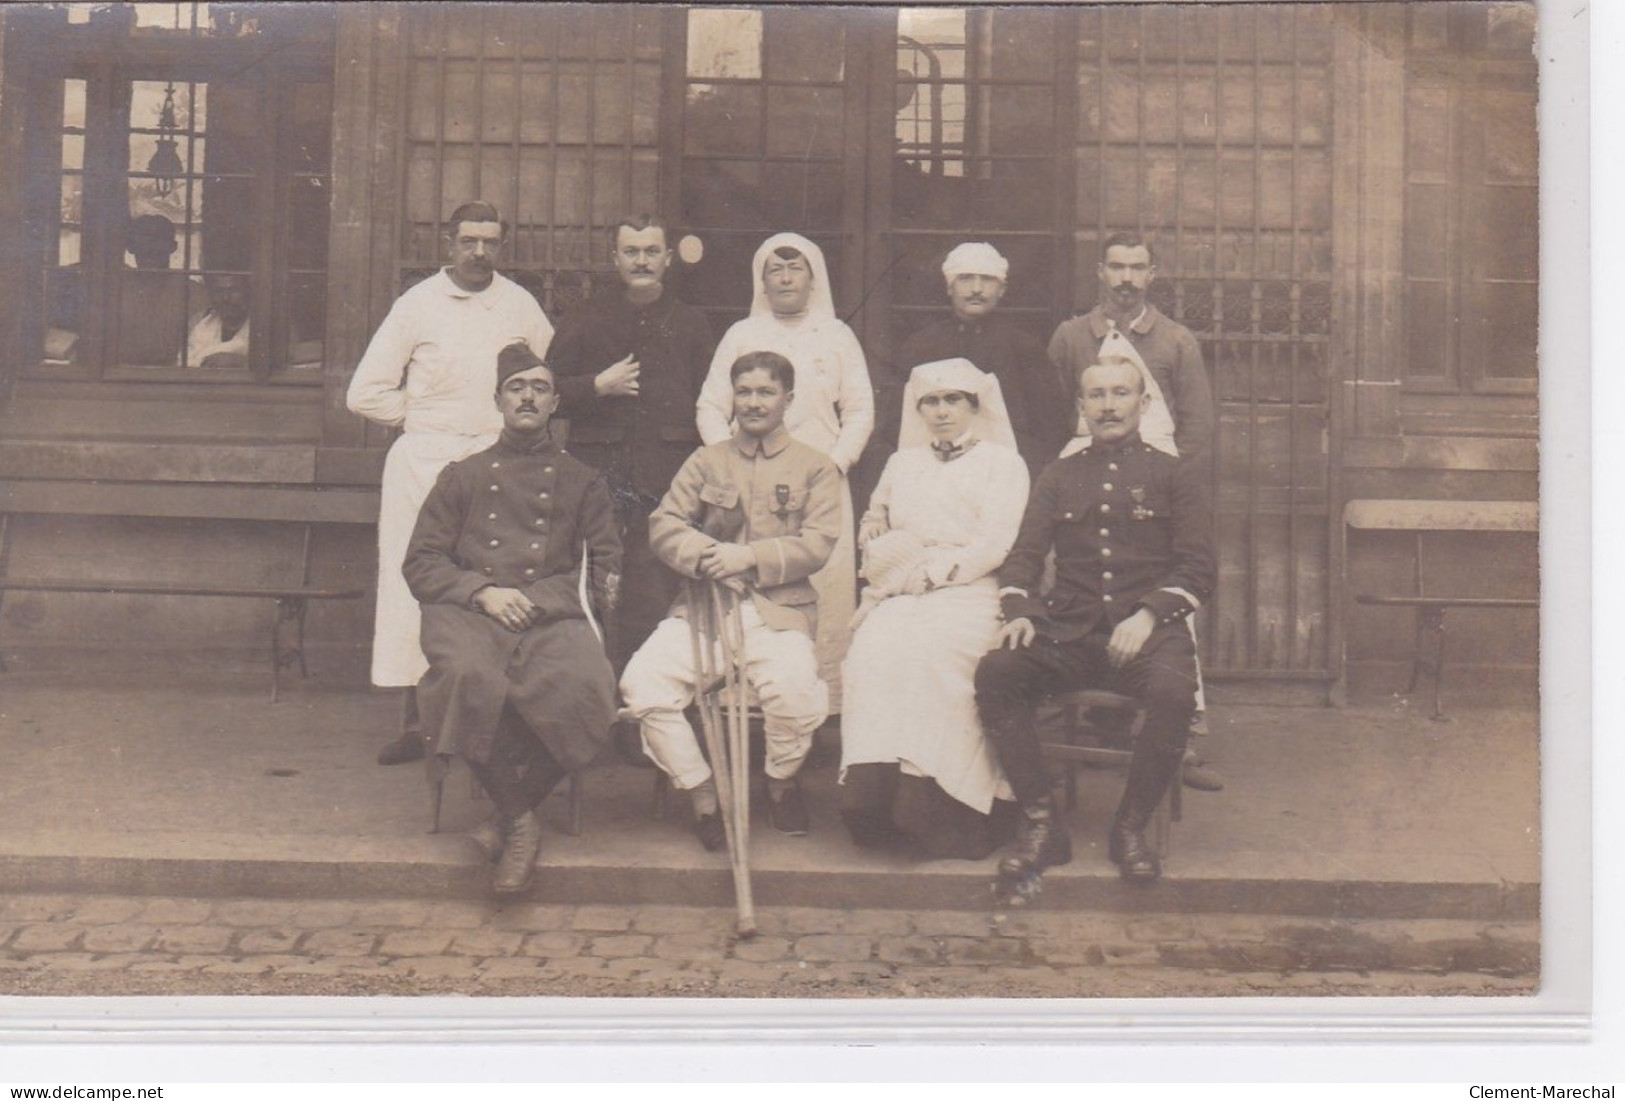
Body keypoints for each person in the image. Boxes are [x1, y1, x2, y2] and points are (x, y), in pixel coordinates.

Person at [974, 359, 1214, 893]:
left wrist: (1150, 613)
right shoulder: (1060, 475)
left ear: (1144, 404)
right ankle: (1043, 826)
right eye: (1097, 395)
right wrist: (1020, 613)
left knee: (1175, 694)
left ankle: (1129, 830)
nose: (1108, 405)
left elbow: (1199, 568)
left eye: (1121, 393)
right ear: (1081, 407)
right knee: (998, 672)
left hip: (1151, 634)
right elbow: (1023, 560)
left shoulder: (1175, 475)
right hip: (1071, 632)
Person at [403, 343, 619, 895]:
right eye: (517, 387)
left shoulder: (582, 481)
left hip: (550, 611)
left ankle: (503, 817)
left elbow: (603, 566)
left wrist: (543, 600)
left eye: (539, 388)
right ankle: (520, 821)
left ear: (553, 404)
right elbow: (421, 562)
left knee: (587, 682)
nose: (527, 396)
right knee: (467, 677)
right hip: (469, 612)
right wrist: (482, 592)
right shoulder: (462, 477)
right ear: (498, 400)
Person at [346, 201, 555, 767]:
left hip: (493, 462)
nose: (479, 252)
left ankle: (484, 716)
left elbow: (540, 379)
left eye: (490, 241)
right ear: (449, 243)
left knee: (491, 578)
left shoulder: (520, 306)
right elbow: (363, 393)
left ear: (501, 246)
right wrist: (422, 420)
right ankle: (416, 724)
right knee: (415, 581)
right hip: (424, 464)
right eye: (469, 241)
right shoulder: (416, 305)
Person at [622, 350, 840, 849]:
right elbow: (665, 523)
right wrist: (703, 554)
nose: (754, 402)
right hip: (704, 609)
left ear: (788, 398)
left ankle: (781, 782)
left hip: (778, 612)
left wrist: (747, 557)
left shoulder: (816, 467)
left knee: (795, 692)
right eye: (744, 391)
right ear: (732, 398)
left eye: (766, 392)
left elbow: (819, 542)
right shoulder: (706, 460)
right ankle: (702, 792)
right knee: (642, 683)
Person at [838, 358, 1030, 860]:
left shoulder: (1002, 463)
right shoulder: (903, 462)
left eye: (953, 401)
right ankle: (875, 802)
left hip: (970, 587)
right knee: (872, 650)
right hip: (903, 585)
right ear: (918, 407)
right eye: (932, 402)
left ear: (973, 406)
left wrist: (940, 575)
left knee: (932, 655)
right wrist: (874, 532)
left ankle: (937, 809)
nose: (942, 412)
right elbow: (874, 517)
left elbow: (996, 542)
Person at [694, 233, 873, 707]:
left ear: (813, 279)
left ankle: (818, 708)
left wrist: (834, 464)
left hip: (819, 486)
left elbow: (859, 410)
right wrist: (729, 461)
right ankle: (746, 708)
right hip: (748, 485)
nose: (786, 278)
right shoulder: (741, 335)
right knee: (752, 589)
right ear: (763, 280)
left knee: (824, 592)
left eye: (796, 269)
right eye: (776, 270)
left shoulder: (836, 335)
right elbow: (711, 405)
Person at [547, 214, 717, 673]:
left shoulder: (691, 323)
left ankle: (648, 701)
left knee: (655, 592)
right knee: (595, 587)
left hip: (667, 482)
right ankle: (596, 699)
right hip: (599, 478)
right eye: (631, 252)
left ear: (666, 258)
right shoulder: (584, 317)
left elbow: (714, 404)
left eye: (650, 252)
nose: (641, 261)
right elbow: (546, 394)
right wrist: (597, 386)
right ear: (615, 258)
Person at [877, 242, 1072, 484]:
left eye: (987, 279)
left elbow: (1052, 426)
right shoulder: (920, 347)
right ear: (949, 287)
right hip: (934, 477)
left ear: (1002, 289)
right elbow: (897, 423)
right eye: (966, 279)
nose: (976, 289)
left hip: (1004, 477)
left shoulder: (1024, 348)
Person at [1047, 233, 1215, 461]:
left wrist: (1167, 470)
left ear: (1151, 274)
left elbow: (1198, 422)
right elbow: (1050, 414)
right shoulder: (1070, 336)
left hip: (1156, 465)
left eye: (1137, 268)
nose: (1127, 278)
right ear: (1100, 272)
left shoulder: (1177, 339)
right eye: (1116, 267)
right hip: (1085, 464)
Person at [116, 214, 192, 367]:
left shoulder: (193, 293)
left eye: (158, 239)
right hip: (121, 376)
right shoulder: (114, 290)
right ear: (130, 246)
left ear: (172, 246)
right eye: (143, 238)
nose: (150, 246)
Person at [182, 272, 250, 370]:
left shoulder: (261, 324)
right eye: (219, 291)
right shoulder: (200, 321)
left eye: (233, 290)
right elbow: (184, 363)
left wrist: (241, 361)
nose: (225, 298)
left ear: (247, 292)